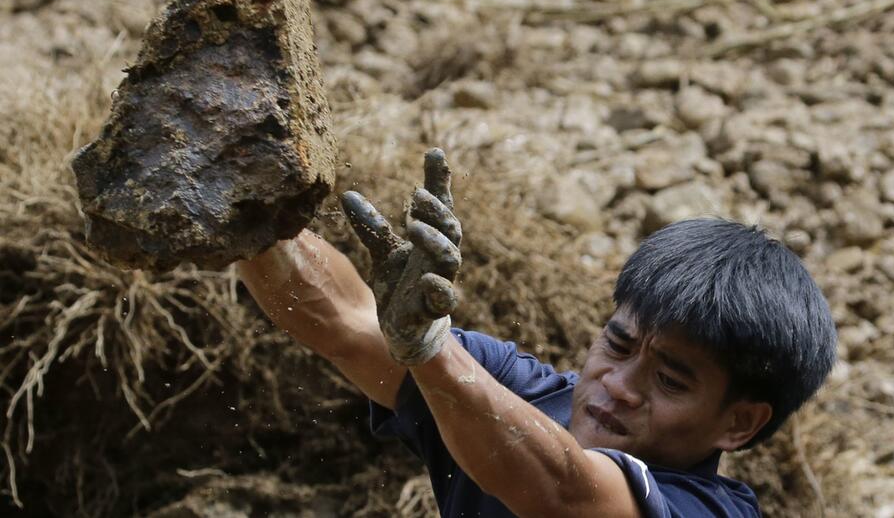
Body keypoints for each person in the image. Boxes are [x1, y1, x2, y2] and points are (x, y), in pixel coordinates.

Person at [237, 148, 837, 517]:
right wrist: (246, 211)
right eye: (618, 345)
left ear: (739, 423)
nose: (618, 385)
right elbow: (343, 322)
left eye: (672, 381)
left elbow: (563, 496)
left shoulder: (708, 512)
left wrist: (427, 349)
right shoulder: (520, 392)